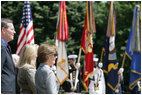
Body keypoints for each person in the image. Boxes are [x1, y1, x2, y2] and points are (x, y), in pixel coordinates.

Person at [1, 18, 17, 93]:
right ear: (3, 30)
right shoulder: (2, 47)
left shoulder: (4, 46)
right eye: (12, 29)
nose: (14, 32)